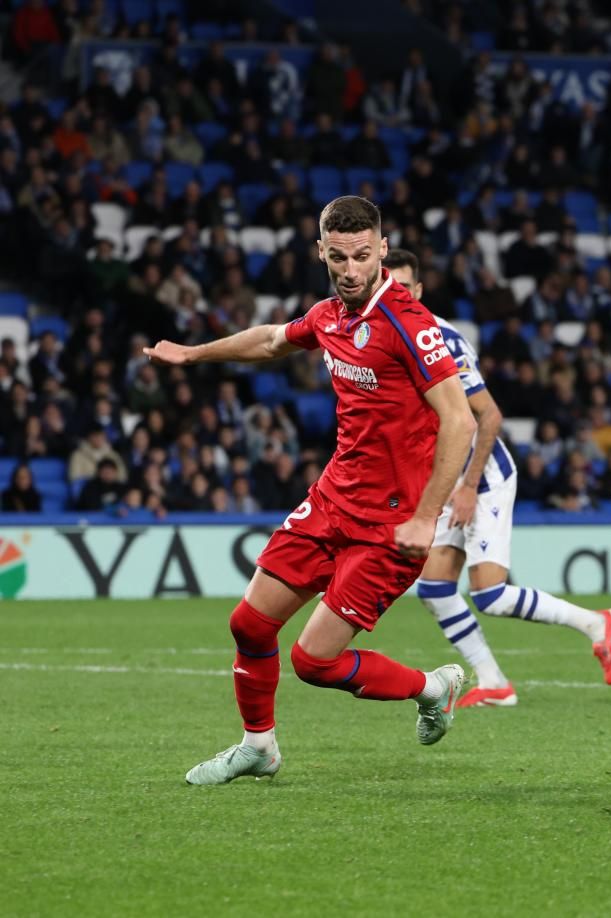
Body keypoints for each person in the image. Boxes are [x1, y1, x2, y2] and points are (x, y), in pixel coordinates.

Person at [149, 196, 479, 785]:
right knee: (249, 625)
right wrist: (196, 354)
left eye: (361, 256)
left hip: (391, 524)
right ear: (320, 252)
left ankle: (433, 687)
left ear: (381, 249)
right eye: (337, 258)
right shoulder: (329, 315)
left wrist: (427, 518)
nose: (350, 270)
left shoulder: (409, 324)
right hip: (331, 500)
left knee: (312, 661)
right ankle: (257, 747)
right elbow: (273, 340)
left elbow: (461, 420)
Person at [382, 249, 611, 708]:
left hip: (483, 475)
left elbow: (488, 416)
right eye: (386, 287)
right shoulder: (386, 336)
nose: (393, 295)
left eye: (402, 287)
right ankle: (493, 682)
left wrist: (470, 486)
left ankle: (598, 623)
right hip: (447, 477)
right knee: (434, 588)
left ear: (417, 291)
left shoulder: (442, 340)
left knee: (490, 594)